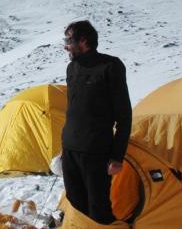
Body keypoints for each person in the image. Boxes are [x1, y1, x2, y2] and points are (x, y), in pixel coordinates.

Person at [61, 20, 132, 224]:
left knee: (98, 210)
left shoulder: (110, 66)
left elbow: (124, 116)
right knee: (76, 206)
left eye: (69, 41)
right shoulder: (72, 68)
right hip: (70, 150)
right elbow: (74, 109)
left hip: (96, 152)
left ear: (83, 41)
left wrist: (117, 156)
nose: (65, 46)